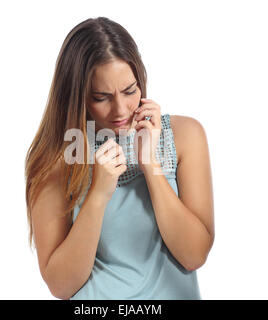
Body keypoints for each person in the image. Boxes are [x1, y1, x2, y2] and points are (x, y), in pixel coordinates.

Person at [24, 16, 215, 300]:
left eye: (129, 91)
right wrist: (98, 194)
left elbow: (194, 255)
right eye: (101, 97)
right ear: (77, 97)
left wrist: (151, 166)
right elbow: (61, 286)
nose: (121, 110)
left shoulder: (185, 135)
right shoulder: (56, 159)